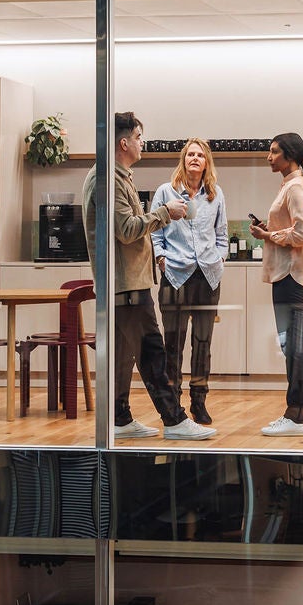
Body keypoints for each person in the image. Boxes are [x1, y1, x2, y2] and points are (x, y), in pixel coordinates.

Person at [83, 113, 215, 441]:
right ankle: (174, 419)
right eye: (139, 137)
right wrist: (164, 214)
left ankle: (120, 417)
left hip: (127, 282)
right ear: (123, 142)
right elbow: (127, 230)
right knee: (153, 352)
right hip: (125, 284)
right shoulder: (107, 180)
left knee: (123, 357)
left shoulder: (117, 176)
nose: (143, 142)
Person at [152, 138, 229, 425]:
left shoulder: (215, 194)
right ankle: (173, 405)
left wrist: (220, 259)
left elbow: (222, 234)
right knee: (173, 342)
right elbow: (155, 232)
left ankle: (199, 401)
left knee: (203, 342)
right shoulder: (165, 192)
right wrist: (161, 259)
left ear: (206, 162)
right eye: (190, 154)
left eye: (200, 155)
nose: (194, 158)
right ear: (183, 160)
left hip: (208, 277)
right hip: (175, 276)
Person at [253, 132, 303, 437]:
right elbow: (292, 228)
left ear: (289, 156)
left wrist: (268, 236)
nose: (269, 157)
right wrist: (273, 230)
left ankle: (297, 415)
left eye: (274, 152)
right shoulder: (292, 185)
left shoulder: (294, 187)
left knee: (293, 346)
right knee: (294, 344)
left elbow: (301, 234)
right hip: (288, 274)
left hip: (290, 275)